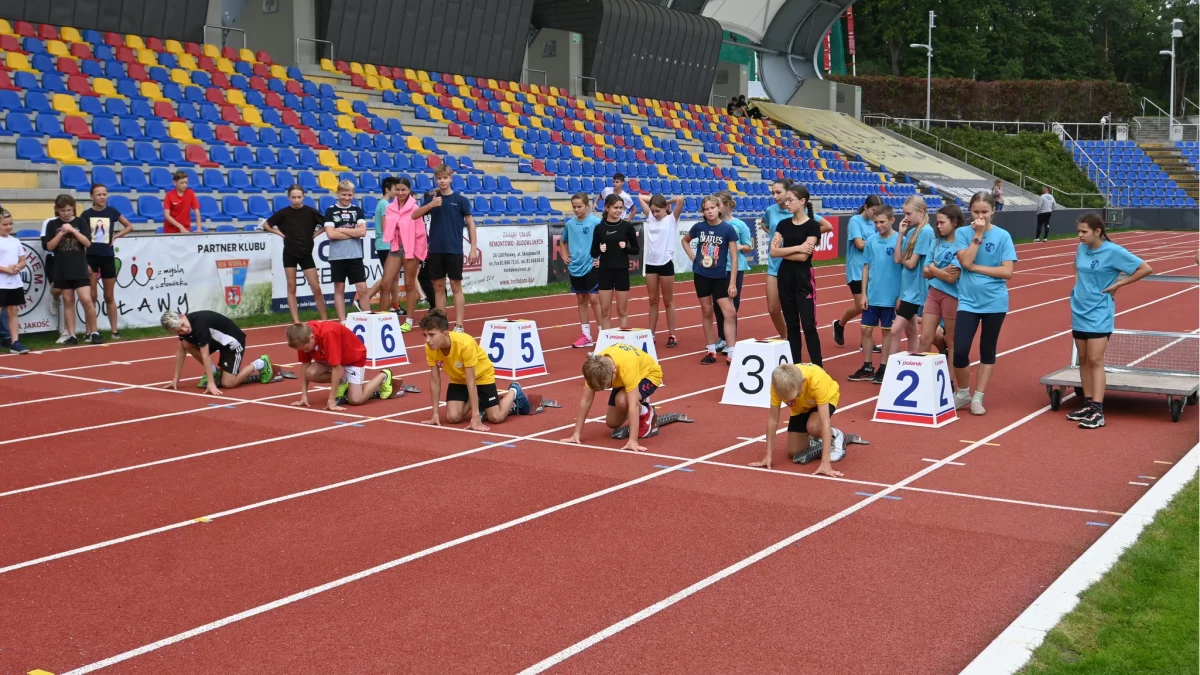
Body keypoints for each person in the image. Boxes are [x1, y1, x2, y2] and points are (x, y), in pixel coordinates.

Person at [1066, 213, 1153, 429]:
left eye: (1084, 231)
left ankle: (1098, 410)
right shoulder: (1081, 248)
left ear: (1097, 231)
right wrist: (1077, 287)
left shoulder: (1113, 251)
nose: (1080, 235)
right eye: (1079, 231)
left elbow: (1145, 268)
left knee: (1095, 359)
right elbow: (1077, 266)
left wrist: (1118, 285)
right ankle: (1087, 403)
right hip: (1079, 310)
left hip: (1099, 312)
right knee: (1083, 359)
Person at [952, 191, 1018, 415]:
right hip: (968, 301)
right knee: (960, 350)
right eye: (975, 211)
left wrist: (975, 269)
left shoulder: (1003, 236)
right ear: (969, 211)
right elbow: (966, 260)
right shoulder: (962, 233)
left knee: (987, 349)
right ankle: (963, 392)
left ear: (993, 212)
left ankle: (978, 397)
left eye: (984, 212)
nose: (980, 216)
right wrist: (977, 235)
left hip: (995, 302)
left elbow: (1007, 271)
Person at [419, 308, 535, 429]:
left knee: (496, 418)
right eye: (425, 335)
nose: (427, 340)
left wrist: (475, 418)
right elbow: (435, 381)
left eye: (431, 335)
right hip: (458, 378)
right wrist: (435, 413)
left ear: (445, 334)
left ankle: (514, 391)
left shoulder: (465, 344)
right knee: (453, 418)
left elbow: (471, 381)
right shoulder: (430, 348)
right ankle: (479, 399)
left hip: (481, 375)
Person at [561, 345, 664, 452]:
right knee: (612, 423)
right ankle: (637, 400)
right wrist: (576, 434)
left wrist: (632, 440)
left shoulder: (627, 367)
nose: (606, 388)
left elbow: (632, 406)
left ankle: (646, 412)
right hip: (623, 380)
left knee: (622, 400)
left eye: (607, 385)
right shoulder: (594, 370)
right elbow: (586, 400)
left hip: (649, 375)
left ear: (614, 371)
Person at [749, 363, 845, 477]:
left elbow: (825, 422)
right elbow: (773, 419)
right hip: (801, 407)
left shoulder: (817, 381)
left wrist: (825, 463)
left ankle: (835, 434)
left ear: (803, 382)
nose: (792, 399)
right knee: (794, 452)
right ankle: (818, 439)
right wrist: (768, 455)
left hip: (826, 399)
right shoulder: (777, 385)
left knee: (814, 427)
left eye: (795, 395)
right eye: (789, 399)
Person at [286, 320, 395, 410]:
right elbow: (305, 365)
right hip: (328, 356)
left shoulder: (328, 334)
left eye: (306, 349)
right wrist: (304, 396)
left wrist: (332, 400)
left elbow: (336, 367)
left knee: (356, 400)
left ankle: (384, 375)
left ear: (311, 337)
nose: (305, 352)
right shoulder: (300, 338)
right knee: (310, 373)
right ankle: (344, 382)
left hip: (352, 357)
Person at [682, 195, 739, 364]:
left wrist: (733, 283)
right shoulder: (699, 227)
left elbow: (734, 258)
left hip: (720, 276)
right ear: (703, 212)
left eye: (712, 208)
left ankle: (732, 352)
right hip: (701, 275)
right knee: (706, 311)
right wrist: (694, 258)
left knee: (730, 312)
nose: (709, 211)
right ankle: (711, 350)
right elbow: (685, 241)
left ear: (718, 209)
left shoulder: (728, 229)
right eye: (706, 209)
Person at [161, 310, 274, 395]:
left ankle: (261, 362)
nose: (184, 330)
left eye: (182, 325)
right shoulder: (184, 329)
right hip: (216, 340)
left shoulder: (200, 325)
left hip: (233, 344)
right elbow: (181, 352)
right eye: (179, 331)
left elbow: (205, 356)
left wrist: (211, 383)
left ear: (182, 316)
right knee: (185, 343)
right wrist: (175, 379)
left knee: (228, 384)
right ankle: (215, 372)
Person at [771, 184, 824, 366]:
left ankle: (818, 367)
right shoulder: (783, 224)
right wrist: (798, 247)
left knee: (809, 325)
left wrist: (787, 251)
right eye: (786, 200)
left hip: (803, 278)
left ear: (802, 201)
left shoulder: (813, 226)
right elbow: (772, 252)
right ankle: (795, 366)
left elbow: (803, 257)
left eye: (790, 200)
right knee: (792, 325)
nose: (787, 203)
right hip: (784, 277)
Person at [849, 204, 901, 384]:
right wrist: (863, 293)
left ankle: (884, 366)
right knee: (865, 329)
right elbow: (866, 266)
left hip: (891, 295)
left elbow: (903, 269)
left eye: (882, 222)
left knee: (887, 332)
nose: (878, 225)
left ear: (892, 220)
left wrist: (900, 295)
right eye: (875, 222)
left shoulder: (898, 240)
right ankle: (867, 366)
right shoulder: (871, 240)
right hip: (873, 294)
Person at [423, 164, 478, 332]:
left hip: (454, 249)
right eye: (439, 178)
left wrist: (473, 248)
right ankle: (441, 323)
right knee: (438, 287)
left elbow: (470, 223)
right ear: (436, 179)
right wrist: (431, 205)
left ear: (450, 179)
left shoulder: (460, 200)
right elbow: (415, 215)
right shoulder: (431, 198)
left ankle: (459, 324)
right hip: (436, 249)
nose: (442, 181)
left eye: (445, 178)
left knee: (456, 286)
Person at [263, 184, 329, 324]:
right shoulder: (283, 213)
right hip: (289, 253)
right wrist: (279, 233)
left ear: (303, 197)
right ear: (289, 198)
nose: (296, 200)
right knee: (291, 286)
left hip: (306, 254)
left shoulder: (311, 212)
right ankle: (296, 321)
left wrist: (314, 235)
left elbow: (327, 224)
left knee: (316, 287)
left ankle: (324, 319)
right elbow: (266, 225)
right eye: (293, 197)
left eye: (299, 197)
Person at [41, 194, 98, 346]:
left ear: (73, 209)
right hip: (62, 267)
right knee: (68, 300)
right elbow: (49, 247)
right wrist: (60, 233)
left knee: (86, 299)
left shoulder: (80, 222)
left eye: (68, 210)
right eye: (62, 210)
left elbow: (87, 243)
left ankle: (94, 332)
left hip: (79, 266)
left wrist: (73, 231)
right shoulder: (52, 224)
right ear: (57, 210)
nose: (66, 213)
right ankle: (71, 335)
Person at [920, 204, 966, 391]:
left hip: (952, 296)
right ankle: (923, 378)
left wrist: (933, 269)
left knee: (951, 341)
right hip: (933, 293)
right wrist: (937, 270)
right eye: (937, 222)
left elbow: (951, 276)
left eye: (941, 222)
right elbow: (924, 271)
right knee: (926, 337)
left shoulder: (961, 245)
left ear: (954, 222)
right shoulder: (936, 242)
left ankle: (949, 383)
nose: (938, 226)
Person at [81, 183, 133, 340]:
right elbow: (82, 238)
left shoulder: (112, 211)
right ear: (92, 196)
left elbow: (129, 226)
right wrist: (85, 261)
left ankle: (114, 330)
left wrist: (116, 236)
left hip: (108, 257)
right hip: (91, 257)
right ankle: (90, 331)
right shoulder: (86, 214)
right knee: (92, 296)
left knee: (109, 296)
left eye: (104, 194)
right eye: (99, 194)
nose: (102, 197)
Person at [385, 177, 437, 332]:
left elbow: (420, 232)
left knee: (409, 284)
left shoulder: (415, 207)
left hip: (412, 248)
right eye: (398, 189)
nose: (400, 193)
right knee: (385, 283)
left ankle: (408, 320)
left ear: (409, 191)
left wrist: (418, 251)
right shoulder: (391, 207)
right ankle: (381, 317)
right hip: (395, 247)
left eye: (404, 190)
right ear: (394, 190)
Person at [833, 194, 881, 347]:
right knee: (863, 305)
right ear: (866, 207)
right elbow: (859, 244)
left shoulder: (876, 223)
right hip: (856, 269)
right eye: (874, 210)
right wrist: (879, 244)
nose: (876, 215)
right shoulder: (855, 221)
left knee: (869, 305)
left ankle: (860, 337)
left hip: (872, 269)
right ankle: (843, 326)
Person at [888, 196, 934, 357]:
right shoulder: (913, 231)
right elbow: (897, 259)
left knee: (895, 331)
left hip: (915, 290)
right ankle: (914, 362)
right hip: (908, 288)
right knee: (912, 330)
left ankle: (888, 368)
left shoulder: (926, 232)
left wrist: (903, 259)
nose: (905, 217)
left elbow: (911, 263)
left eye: (908, 213)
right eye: (904, 213)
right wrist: (901, 234)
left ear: (921, 212)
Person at [638, 192, 683, 347]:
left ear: (665, 208)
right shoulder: (650, 217)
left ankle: (672, 334)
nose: (655, 214)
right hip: (651, 264)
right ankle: (651, 333)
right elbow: (639, 197)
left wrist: (667, 202)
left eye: (658, 210)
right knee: (652, 300)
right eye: (653, 210)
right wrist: (656, 204)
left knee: (668, 300)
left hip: (665, 263)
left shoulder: (672, 219)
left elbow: (681, 199)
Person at [561, 193, 604, 347]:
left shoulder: (596, 222)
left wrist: (600, 258)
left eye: (579, 206)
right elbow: (563, 241)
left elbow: (604, 241)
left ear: (587, 206)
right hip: (575, 267)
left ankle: (602, 333)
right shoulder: (570, 224)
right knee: (581, 299)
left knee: (594, 298)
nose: (576, 210)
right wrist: (565, 255)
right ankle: (586, 335)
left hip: (591, 265)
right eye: (574, 207)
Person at [591, 193, 639, 330]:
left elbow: (636, 250)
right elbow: (593, 252)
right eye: (615, 208)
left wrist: (626, 248)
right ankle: (607, 342)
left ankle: (622, 342)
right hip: (605, 272)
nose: (618, 211)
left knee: (622, 310)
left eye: (621, 208)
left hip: (621, 272)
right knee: (605, 312)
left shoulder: (627, 227)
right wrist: (599, 249)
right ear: (607, 208)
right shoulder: (600, 228)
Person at [324, 180, 369, 321]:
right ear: (338, 193)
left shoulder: (357, 210)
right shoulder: (331, 210)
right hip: (337, 256)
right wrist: (352, 231)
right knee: (339, 289)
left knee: (362, 288)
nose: (346, 198)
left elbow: (362, 233)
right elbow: (331, 234)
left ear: (353, 195)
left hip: (355, 255)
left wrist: (341, 229)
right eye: (344, 194)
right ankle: (343, 320)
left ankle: (367, 318)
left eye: (349, 195)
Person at [713, 192, 753, 353]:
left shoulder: (740, 225)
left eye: (719, 204)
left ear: (728, 205)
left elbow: (748, 246)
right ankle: (722, 338)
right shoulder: (713, 223)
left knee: (732, 306)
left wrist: (739, 247)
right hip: (717, 269)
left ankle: (731, 342)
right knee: (717, 305)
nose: (716, 208)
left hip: (735, 268)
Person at [762, 178, 794, 339]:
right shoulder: (770, 210)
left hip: (793, 265)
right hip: (774, 264)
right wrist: (774, 236)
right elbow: (764, 223)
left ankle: (791, 340)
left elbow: (824, 226)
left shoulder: (797, 209)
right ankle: (786, 336)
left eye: (778, 192)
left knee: (792, 309)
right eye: (772, 193)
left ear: (788, 192)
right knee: (773, 309)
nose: (774, 196)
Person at [364, 177, 399, 313]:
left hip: (386, 244)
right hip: (385, 244)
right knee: (388, 277)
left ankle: (395, 306)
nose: (397, 192)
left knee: (393, 276)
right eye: (395, 189)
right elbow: (386, 226)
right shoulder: (384, 204)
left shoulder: (384, 204)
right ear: (387, 189)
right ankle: (365, 298)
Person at [0, 209, 29, 353]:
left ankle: (15, 342)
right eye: (5, 224)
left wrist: (18, 267)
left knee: (13, 311)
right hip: (1, 283)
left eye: (10, 224)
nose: (9, 227)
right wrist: (6, 269)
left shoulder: (15, 241)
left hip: (14, 283)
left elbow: (23, 261)